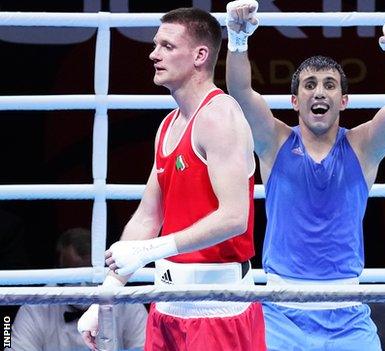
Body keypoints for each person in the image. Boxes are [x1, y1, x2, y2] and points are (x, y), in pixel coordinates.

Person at [225, 1, 385, 349]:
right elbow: (240, 93)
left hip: (347, 313)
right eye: (310, 84)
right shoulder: (274, 142)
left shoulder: (362, 147)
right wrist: (238, 38)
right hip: (282, 312)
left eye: (329, 85)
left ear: (343, 101)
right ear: (295, 101)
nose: (319, 91)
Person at [77, 7, 265, 351]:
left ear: (200, 55)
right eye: (155, 44)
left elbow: (235, 217)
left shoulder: (220, 116)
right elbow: (150, 215)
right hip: (165, 305)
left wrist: (152, 249)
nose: (153, 53)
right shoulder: (168, 125)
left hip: (217, 309)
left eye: (167, 46)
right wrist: (106, 295)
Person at [8, 227, 147, 351]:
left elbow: (144, 346)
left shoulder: (127, 302)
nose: (82, 288)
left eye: (89, 279)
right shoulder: (35, 305)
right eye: (73, 278)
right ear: (58, 269)